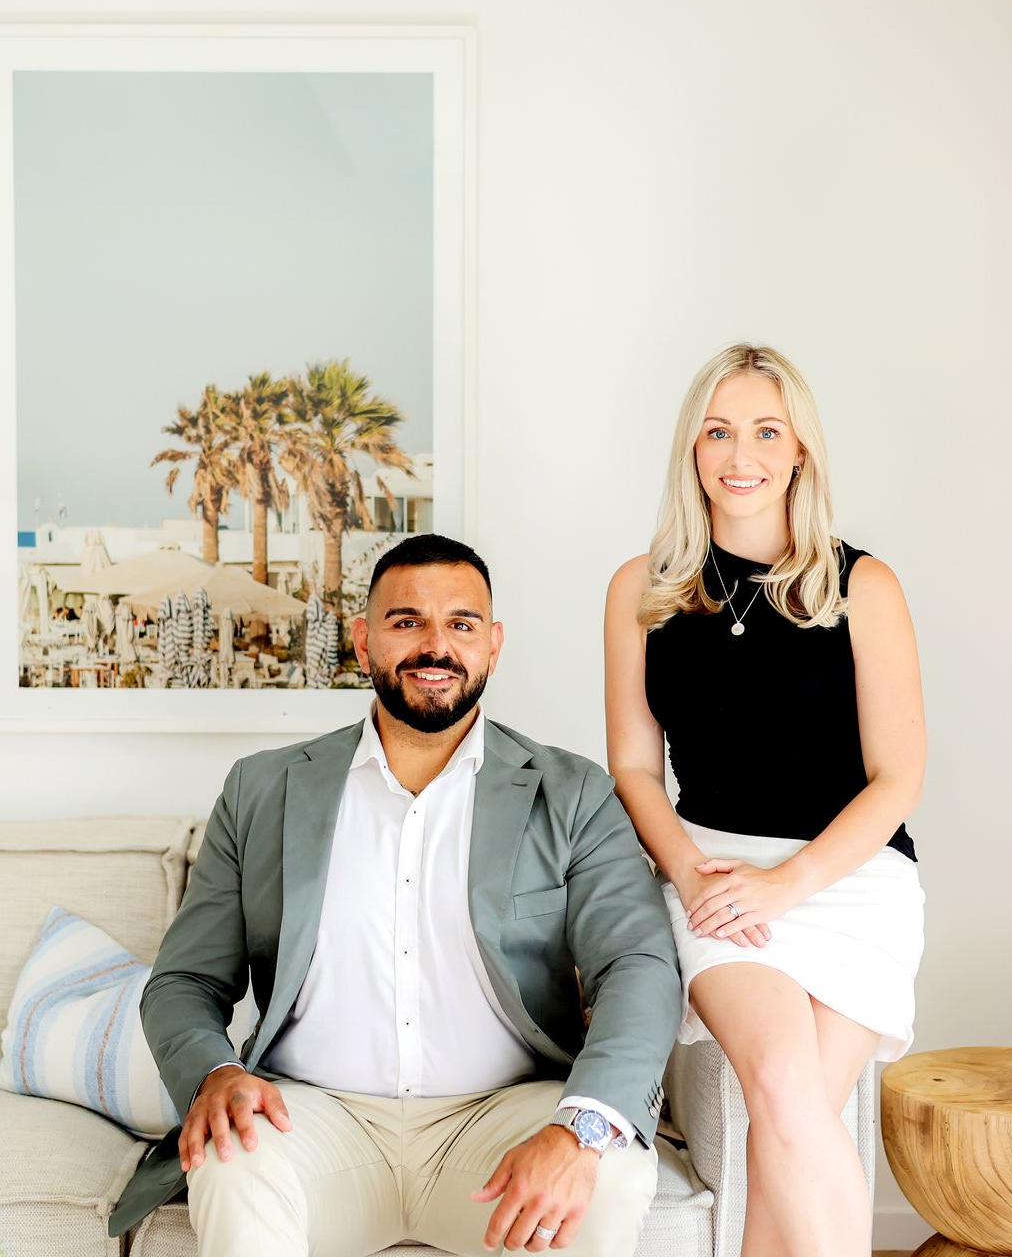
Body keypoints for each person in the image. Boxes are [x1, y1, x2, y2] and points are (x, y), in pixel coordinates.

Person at [110, 534, 680, 1257]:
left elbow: (638, 967)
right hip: (312, 1120)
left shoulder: (573, 795)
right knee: (232, 1159)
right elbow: (185, 980)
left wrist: (580, 1128)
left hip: (501, 1121)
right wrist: (214, 1074)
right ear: (363, 640)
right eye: (406, 621)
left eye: (461, 624)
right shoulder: (262, 790)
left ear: (493, 645)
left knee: (612, 1175)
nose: (434, 645)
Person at [605, 344, 926, 1257]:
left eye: (765, 431)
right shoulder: (641, 588)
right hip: (709, 870)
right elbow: (634, 767)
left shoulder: (863, 586)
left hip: (853, 880)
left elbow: (898, 778)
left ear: (799, 453)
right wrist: (691, 872)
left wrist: (789, 884)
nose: (738, 454)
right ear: (691, 449)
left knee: (785, 1125)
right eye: (717, 430)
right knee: (783, 1087)